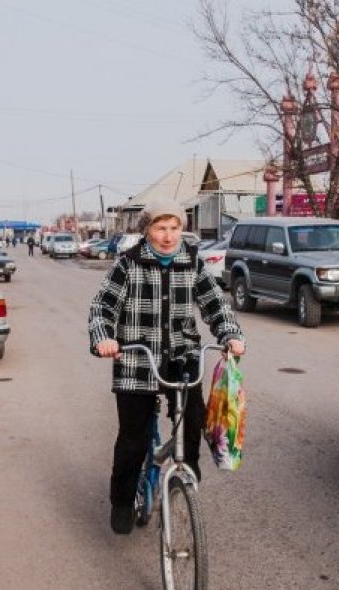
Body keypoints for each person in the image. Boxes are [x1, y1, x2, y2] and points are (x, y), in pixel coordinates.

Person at [88, 200, 246, 535]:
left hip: (181, 358)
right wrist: (104, 337)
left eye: (174, 227)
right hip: (136, 362)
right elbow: (103, 306)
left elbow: (215, 303)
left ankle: (185, 477)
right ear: (147, 229)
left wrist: (229, 333)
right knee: (133, 438)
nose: (168, 236)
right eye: (160, 228)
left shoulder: (191, 261)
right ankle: (121, 500)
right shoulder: (128, 264)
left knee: (193, 420)